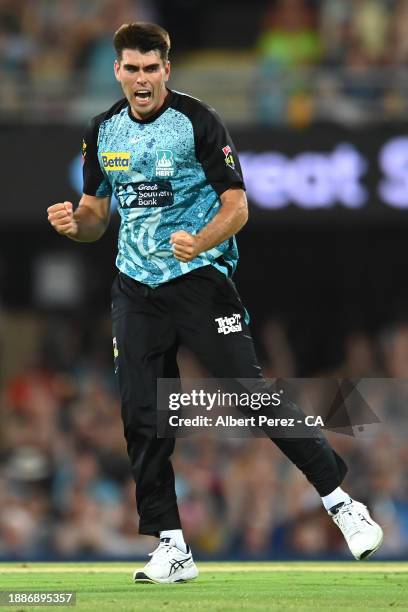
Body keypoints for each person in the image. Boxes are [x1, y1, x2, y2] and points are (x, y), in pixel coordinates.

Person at [47, 22, 383, 583]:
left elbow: (238, 205)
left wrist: (200, 241)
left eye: (151, 69)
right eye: (131, 69)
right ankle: (172, 545)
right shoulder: (102, 130)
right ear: (117, 71)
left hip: (201, 280)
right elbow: (94, 219)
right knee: (140, 412)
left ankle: (342, 503)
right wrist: (72, 224)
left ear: (166, 70)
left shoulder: (197, 122)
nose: (142, 79)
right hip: (135, 289)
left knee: (250, 395)